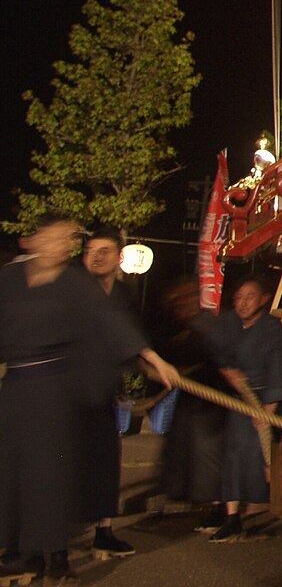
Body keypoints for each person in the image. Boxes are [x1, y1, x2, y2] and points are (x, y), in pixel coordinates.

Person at [0, 216, 178, 585]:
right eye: (53, 238)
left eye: (66, 240)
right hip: (16, 388)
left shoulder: (76, 284)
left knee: (47, 475)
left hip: (57, 390)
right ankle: (17, 552)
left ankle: (48, 553)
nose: (60, 246)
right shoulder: (9, 280)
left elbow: (111, 324)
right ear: (31, 241)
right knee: (11, 470)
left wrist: (153, 358)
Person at [205, 275, 282, 543]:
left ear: (263, 300)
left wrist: (268, 409)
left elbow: (278, 369)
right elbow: (213, 349)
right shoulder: (228, 323)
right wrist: (226, 370)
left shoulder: (272, 328)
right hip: (232, 399)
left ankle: (255, 511)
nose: (243, 303)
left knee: (256, 458)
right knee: (230, 454)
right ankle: (230, 516)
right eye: (239, 297)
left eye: (249, 297)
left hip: (262, 399)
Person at [78, 227, 140, 560]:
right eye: (91, 250)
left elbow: (130, 341)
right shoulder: (72, 290)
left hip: (104, 392)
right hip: (70, 392)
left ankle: (104, 530)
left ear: (119, 258)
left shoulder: (124, 295)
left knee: (106, 461)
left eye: (105, 250)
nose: (97, 256)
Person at [157, 280, 225, 526]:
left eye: (186, 300)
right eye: (176, 304)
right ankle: (188, 497)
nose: (181, 307)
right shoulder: (185, 331)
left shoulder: (208, 325)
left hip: (213, 399)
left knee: (208, 453)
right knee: (183, 448)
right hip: (191, 398)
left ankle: (218, 507)